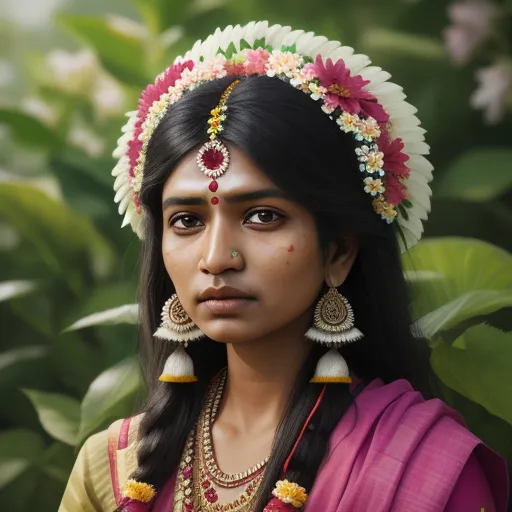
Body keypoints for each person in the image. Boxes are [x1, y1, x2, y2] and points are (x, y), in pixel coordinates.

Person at [59, 21, 509, 512]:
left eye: (262, 216)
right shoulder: (112, 468)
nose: (216, 258)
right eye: (186, 220)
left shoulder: (423, 467)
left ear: (339, 252)